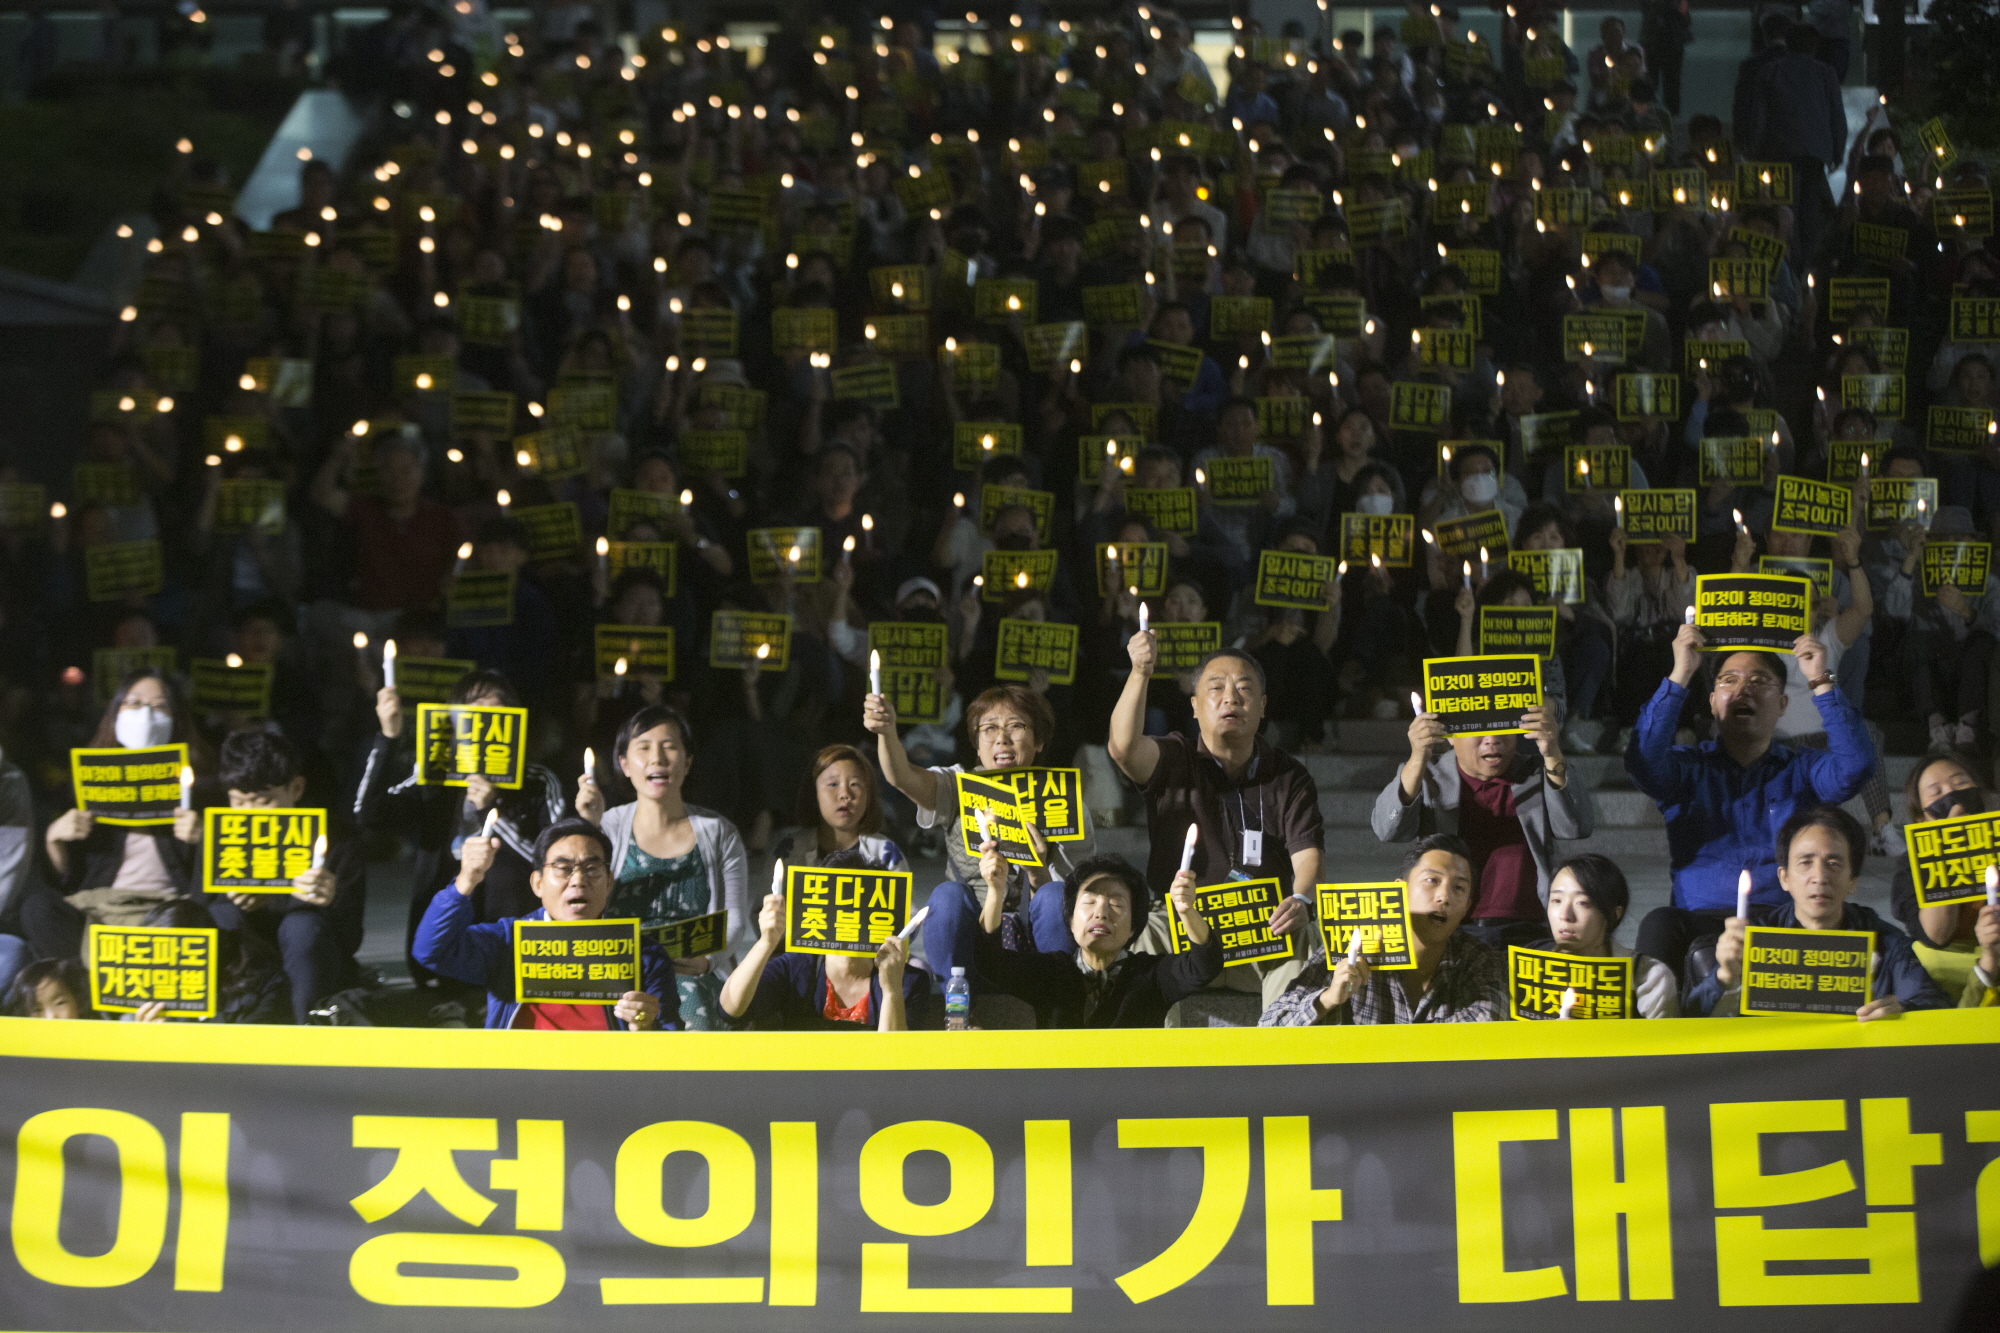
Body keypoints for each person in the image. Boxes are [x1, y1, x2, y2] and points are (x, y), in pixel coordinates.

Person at [1626, 623, 1874, 979]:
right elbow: (1643, 762)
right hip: (1698, 919)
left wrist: (1820, 680)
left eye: (1759, 682)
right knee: (1659, 924)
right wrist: (1681, 673)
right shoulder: (1687, 769)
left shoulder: (1804, 770)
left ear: (1782, 704)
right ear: (1713, 702)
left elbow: (1857, 765)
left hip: (1783, 919)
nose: (1743, 689)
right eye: (1729, 681)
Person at [1108, 642, 1323, 1007]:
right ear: (1194, 706)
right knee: (1142, 933)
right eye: (1217, 687)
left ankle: (1285, 1040)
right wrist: (1141, 672)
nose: (1231, 697)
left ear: (1263, 706)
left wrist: (1301, 899)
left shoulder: (1289, 775)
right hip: (1181, 925)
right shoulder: (1174, 757)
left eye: (1244, 688)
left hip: (1260, 927)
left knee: (1307, 938)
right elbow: (1123, 748)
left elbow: (1308, 856)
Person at [355, 668, 566, 988]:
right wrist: (389, 737)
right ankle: (442, 986)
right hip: (449, 899)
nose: (483, 724)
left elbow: (552, 859)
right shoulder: (433, 776)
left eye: (495, 714)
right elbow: (369, 815)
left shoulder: (537, 780)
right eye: (473, 713)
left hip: (509, 911)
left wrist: (491, 810)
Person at [864, 684, 1078, 979]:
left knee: (1056, 894)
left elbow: (1077, 898)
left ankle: (1055, 1001)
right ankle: (958, 1000)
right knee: (946, 895)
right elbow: (903, 776)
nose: (1001, 738)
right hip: (972, 933)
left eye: (1016, 726)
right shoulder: (957, 785)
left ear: (1039, 740)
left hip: (1034, 936)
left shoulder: (1061, 799)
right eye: (989, 728)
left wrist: (1037, 870)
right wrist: (887, 733)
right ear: (977, 745)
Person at [576, 704, 750, 1028]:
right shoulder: (607, 826)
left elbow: (735, 919)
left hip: (692, 975)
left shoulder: (719, 832)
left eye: (669, 746)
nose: (657, 758)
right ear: (625, 764)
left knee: (693, 1018)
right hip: (618, 975)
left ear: (687, 761)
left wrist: (706, 962)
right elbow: (576, 897)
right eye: (643, 748)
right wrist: (588, 826)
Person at [1686, 806, 1949, 1019]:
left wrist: (1904, 1010)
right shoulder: (1754, 940)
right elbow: (1691, 1020)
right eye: (1806, 862)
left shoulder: (1886, 942)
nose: (1820, 877)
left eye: (1833, 863)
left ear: (1852, 881)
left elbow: (1937, 1005)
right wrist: (1724, 978)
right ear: (1784, 877)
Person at [413, 818, 671, 1030]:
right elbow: (431, 951)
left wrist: (644, 1026)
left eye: (592, 868)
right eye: (563, 868)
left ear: (609, 882)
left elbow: (669, 1039)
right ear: (538, 883)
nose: (578, 880)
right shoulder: (508, 941)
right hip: (520, 1070)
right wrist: (467, 879)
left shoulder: (645, 955)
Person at [22, 669, 208, 961]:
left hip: (170, 912)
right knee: (38, 909)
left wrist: (205, 837)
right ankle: (86, 979)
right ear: (114, 713)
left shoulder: (200, 786)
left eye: (159, 706)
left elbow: (216, 880)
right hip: (100, 910)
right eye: (134, 703)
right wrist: (54, 839)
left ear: (177, 718)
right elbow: (66, 881)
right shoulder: (90, 782)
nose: (146, 715)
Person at [1374, 704, 1593, 949]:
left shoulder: (1537, 772)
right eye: (1478, 730)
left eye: (1502, 728)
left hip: (1528, 929)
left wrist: (1552, 753)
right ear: (1451, 737)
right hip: (1449, 926)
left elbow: (1577, 827)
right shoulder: (1428, 774)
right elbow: (1387, 829)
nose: (1492, 740)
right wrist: (1417, 757)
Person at [195, 731, 364, 1024]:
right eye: (238, 802)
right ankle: (223, 1024)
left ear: (296, 788)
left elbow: (350, 939)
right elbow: (197, 914)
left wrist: (331, 900)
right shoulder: (218, 836)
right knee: (221, 914)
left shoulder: (336, 837)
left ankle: (306, 1028)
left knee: (303, 926)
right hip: (246, 959)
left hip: (310, 961)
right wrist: (233, 899)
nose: (250, 814)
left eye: (263, 801)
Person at [1260, 835, 1507, 1025]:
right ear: (1399, 890)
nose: (1444, 896)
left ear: (1467, 908)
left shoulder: (1479, 958)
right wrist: (1329, 998)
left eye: (1459, 888)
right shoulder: (1353, 945)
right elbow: (1271, 1025)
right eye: (1432, 881)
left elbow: (1490, 1018)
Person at [964, 854, 1223, 1027]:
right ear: (1070, 920)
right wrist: (996, 890)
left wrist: (1186, 911)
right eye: (1089, 902)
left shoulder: (1151, 975)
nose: (1101, 913)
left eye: (1116, 904)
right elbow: (990, 961)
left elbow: (1204, 965)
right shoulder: (1051, 972)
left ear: (1133, 927)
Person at [720, 851, 924, 1031]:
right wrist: (766, 942)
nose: (848, 913)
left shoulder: (907, 980)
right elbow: (730, 1011)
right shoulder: (795, 967)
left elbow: (896, 1056)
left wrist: (891, 991)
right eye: (838, 902)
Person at [1887, 751, 1992, 1001]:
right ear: (1921, 818)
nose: (1952, 795)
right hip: (1950, 964)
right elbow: (1937, 935)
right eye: (1936, 792)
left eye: (1960, 783)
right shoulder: (1911, 865)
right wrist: (1948, 847)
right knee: (1924, 958)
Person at [1539, 855, 1679, 1018]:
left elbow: (1663, 1035)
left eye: (1582, 903)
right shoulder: (1530, 965)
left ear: (1614, 913)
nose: (1565, 915)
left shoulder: (1649, 975)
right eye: (1556, 900)